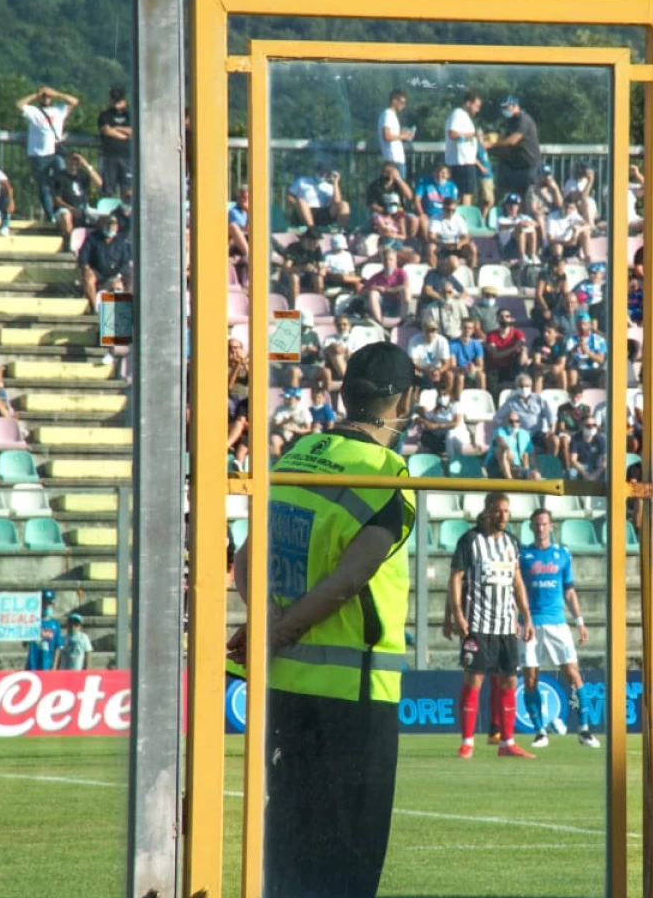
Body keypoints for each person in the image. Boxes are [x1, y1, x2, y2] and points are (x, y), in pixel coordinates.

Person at [231, 341, 418, 898]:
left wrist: (266, 620)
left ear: (346, 392)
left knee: (289, 850)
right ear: (404, 401)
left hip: (285, 688)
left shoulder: (299, 452)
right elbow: (348, 581)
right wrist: (278, 629)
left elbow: (245, 558)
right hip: (354, 691)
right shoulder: (385, 470)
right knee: (346, 866)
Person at [448, 491, 537, 759]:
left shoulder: (512, 542)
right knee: (474, 679)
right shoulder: (470, 540)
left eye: (507, 511)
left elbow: (517, 581)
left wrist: (526, 617)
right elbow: (455, 579)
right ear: (487, 510)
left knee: (509, 681)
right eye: (498, 510)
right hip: (478, 624)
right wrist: (458, 615)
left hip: (506, 625)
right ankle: (467, 742)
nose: (503, 516)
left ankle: (506, 743)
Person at [517, 508, 600, 749]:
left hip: (557, 623)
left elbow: (569, 590)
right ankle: (540, 731)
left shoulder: (562, 555)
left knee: (572, 673)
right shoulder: (523, 556)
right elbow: (516, 590)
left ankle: (584, 729)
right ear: (531, 527)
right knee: (530, 677)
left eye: (544, 524)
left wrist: (580, 621)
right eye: (537, 524)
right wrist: (517, 619)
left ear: (551, 526)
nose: (541, 528)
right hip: (531, 623)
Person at [17, 85, 78, 217]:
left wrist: (57, 93)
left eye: (48, 96)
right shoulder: (34, 111)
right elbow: (19, 104)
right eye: (44, 96)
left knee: (62, 180)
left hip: (55, 152)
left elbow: (74, 101)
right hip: (39, 154)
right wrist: (35, 94)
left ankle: (63, 210)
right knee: (44, 186)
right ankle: (51, 216)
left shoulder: (58, 110)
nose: (46, 98)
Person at [28, 590, 62, 671]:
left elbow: (58, 646)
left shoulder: (55, 624)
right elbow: (25, 644)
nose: (46, 606)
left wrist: (54, 666)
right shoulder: (33, 622)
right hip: (33, 664)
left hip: (48, 664)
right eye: (44, 603)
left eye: (49, 604)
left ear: (53, 605)